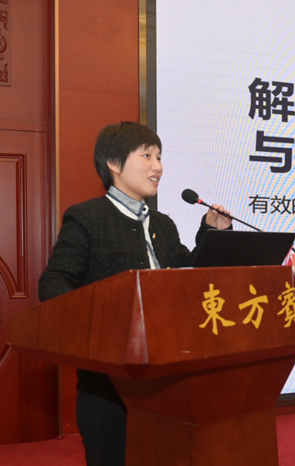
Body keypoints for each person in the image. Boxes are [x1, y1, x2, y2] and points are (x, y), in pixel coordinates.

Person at [38, 121, 232, 466]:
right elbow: (54, 283)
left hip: (169, 375)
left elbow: (188, 278)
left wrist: (210, 233)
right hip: (109, 385)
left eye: (159, 157)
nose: (158, 166)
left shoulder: (163, 224)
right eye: (147, 156)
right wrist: (96, 326)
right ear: (114, 163)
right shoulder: (87, 218)